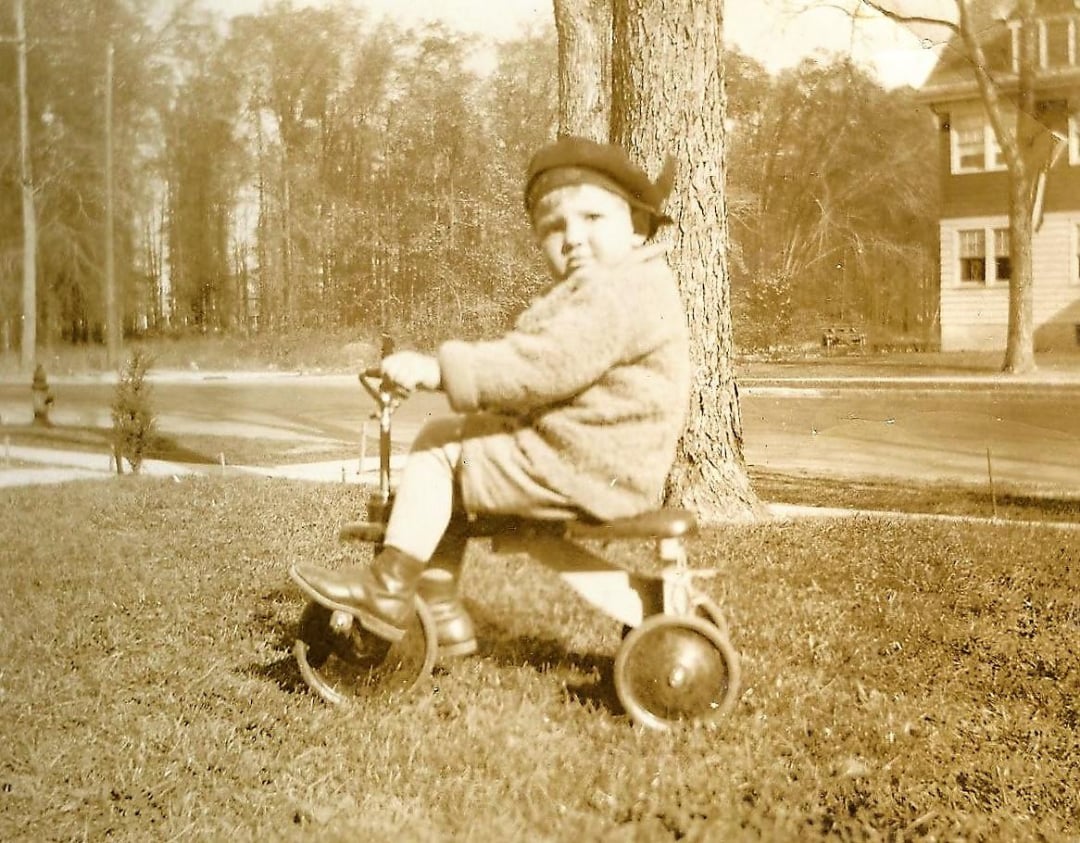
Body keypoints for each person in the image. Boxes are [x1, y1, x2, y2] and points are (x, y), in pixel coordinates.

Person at [290, 135, 690, 660]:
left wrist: (437, 370)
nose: (571, 238)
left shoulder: (615, 294)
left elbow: (541, 366)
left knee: (439, 450)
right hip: (596, 456)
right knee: (461, 446)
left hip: (588, 464)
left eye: (592, 219)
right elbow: (547, 363)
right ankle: (439, 609)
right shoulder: (624, 285)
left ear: (637, 228)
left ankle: (390, 589)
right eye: (553, 227)